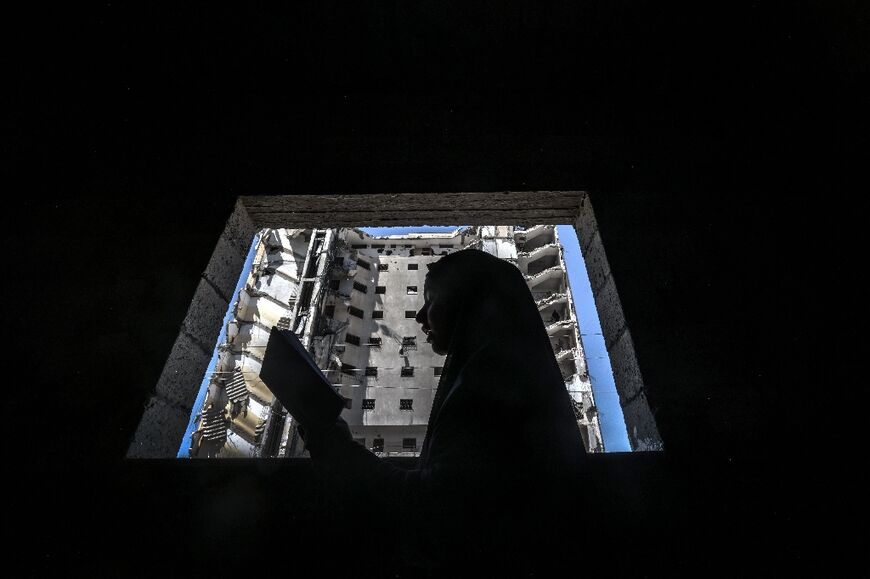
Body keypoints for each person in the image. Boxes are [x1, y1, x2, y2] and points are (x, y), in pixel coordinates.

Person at [299, 248, 587, 575]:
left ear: (465, 303)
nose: (420, 317)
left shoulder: (489, 383)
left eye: (431, 300)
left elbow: (433, 506)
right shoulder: (504, 373)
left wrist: (340, 452)